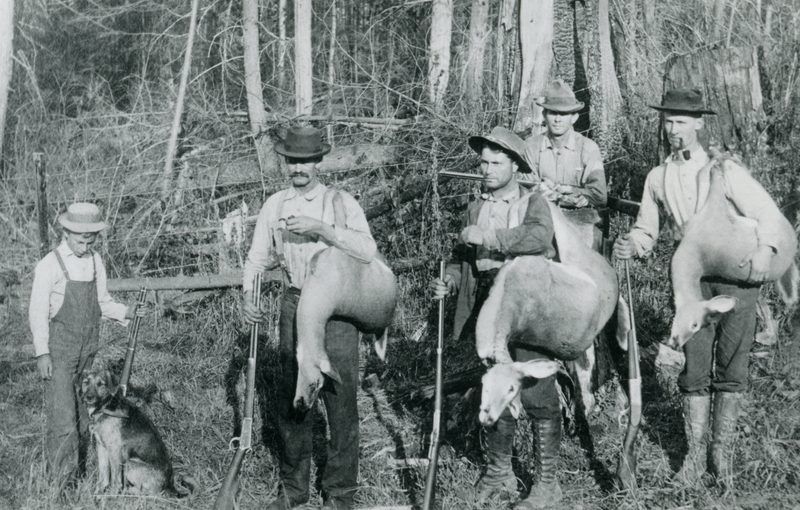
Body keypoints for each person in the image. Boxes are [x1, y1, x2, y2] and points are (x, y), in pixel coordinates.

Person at [613, 88, 785, 485]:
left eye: (682, 121)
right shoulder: (657, 177)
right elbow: (646, 230)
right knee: (694, 367)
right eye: (668, 121)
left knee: (732, 363)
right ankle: (693, 458)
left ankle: (720, 458)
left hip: (737, 277)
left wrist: (766, 250)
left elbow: (767, 214)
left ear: (699, 123)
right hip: (692, 282)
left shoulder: (725, 169)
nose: (674, 129)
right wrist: (632, 243)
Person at [242, 126, 376, 510]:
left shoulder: (340, 202)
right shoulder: (275, 205)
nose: (299, 168)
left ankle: (339, 492)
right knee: (294, 400)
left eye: (306, 160)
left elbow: (367, 251)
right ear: (285, 163)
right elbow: (255, 260)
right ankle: (294, 490)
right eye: (292, 161)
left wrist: (322, 229)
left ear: (318, 162)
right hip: (295, 304)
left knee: (341, 401)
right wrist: (247, 298)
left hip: (337, 313)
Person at [431, 126, 563, 509]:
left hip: (527, 308)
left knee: (536, 389)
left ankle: (547, 484)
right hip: (486, 304)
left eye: (495, 163)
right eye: (483, 162)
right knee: (495, 385)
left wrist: (490, 238)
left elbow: (539, 238)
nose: (487, 169)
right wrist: (451, 282)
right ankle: (500, 473)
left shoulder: (532, 202)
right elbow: (460, 258)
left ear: (515, 166)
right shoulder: (476, 207)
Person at [29, 202, 146, 495]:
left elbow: (102, 302)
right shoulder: (49, 265)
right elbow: (37, 312)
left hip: (87, 351)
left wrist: (127, 312)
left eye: (91, 239)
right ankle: (61, 485)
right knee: (63, 418)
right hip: (59, 350)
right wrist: (42, 352)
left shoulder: (95, 262)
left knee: (85, 415)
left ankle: (80, 473)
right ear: (66, 232)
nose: (85, 245)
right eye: (80, 239)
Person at [521, 79, 607, 251]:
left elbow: (599, 195)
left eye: (564, 114)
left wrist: (569, 191)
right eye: (553, 113)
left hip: (578, 219)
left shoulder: (588, 149)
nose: (558, 119)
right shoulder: (531, 146)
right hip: (539, 218)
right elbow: (525, 188)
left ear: (574, 117)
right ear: (544, 115)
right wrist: (547, 192)